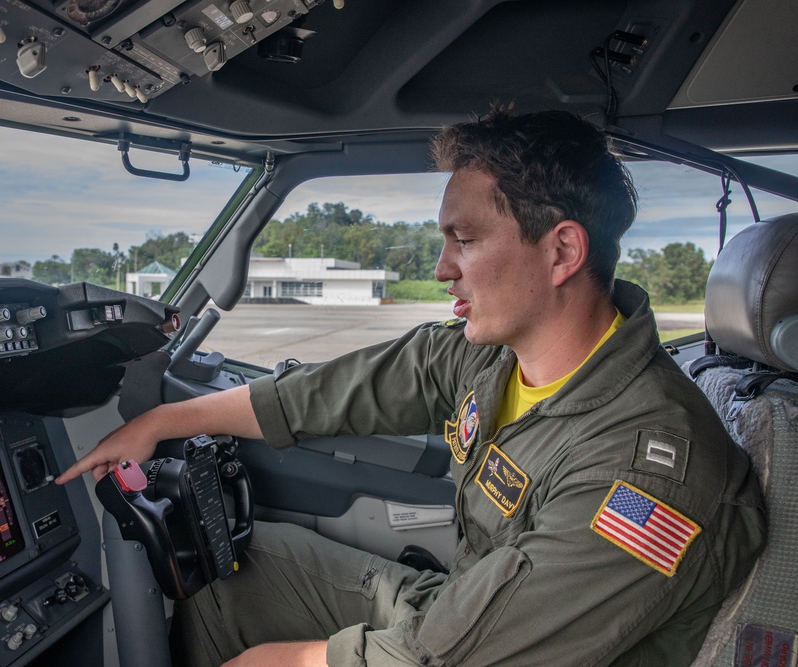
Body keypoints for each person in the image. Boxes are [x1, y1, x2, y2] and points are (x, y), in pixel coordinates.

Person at [57, 108, 765, 666]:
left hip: (502, 650)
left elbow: (465, 657)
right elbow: (328, 393)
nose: (442, 265)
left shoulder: (646, 476)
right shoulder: (490, 360)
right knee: (233, 572)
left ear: (562, 251)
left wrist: (293, 659)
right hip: (465, 611)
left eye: (466, 238)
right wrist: (164, 419)